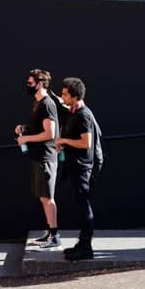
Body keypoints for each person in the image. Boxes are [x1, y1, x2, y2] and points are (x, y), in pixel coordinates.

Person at [14, 69, 61, 248]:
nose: (28, 85)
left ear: (40, 83)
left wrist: (26, 138)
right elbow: (39, 127)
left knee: (48, 197)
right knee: (43, 197)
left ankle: (55, 236)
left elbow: (50, 133)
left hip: (46, 158)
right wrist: (24, 128)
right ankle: (50, 232)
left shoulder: (47, 104)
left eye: (30, 83)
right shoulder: (37, 102)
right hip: (38, 157)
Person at [55, 77, 97, 261]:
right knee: (80, 206)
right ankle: (82, 243)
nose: (62, 96)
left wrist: (64, 141)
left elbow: (86, 142)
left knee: (83, 206)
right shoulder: (73, 112)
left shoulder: (83, 114)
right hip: (74, 166)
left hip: (82, 167)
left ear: (74, 96)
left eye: (65, 94)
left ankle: (86, 247)